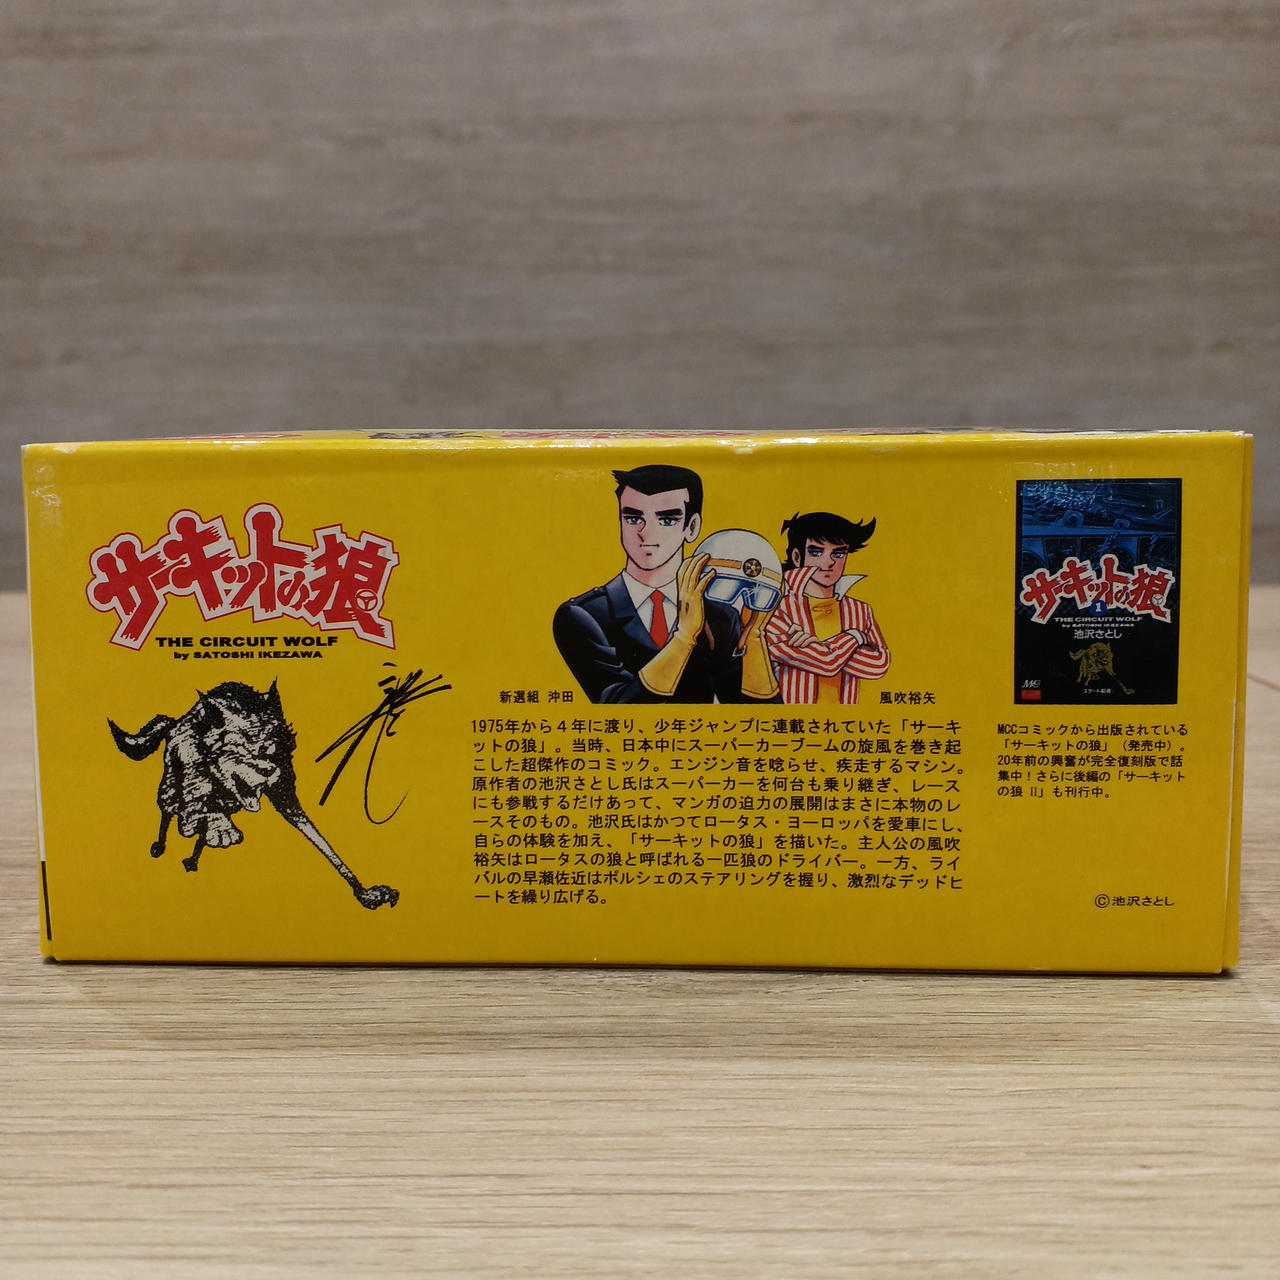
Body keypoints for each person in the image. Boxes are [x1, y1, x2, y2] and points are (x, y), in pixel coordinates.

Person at [553, 465, 778, 703]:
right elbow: (618, 706)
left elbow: (755, 717)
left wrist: (754, 641)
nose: (646, 533)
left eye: (667, 520)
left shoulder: (721, 616)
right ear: (620, 521)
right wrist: (683, 638)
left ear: (692, 527)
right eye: (633, 518)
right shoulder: (584, 614)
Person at [766, 511, 890, 704]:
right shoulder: (775, 607)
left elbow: (879, 664)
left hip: (845, 717)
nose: (829, 562)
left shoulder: (860, 610)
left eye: (838, 553)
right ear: (797, 557)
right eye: (816, 552)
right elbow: (827, 663)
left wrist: (816, 649)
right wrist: (856, 636)